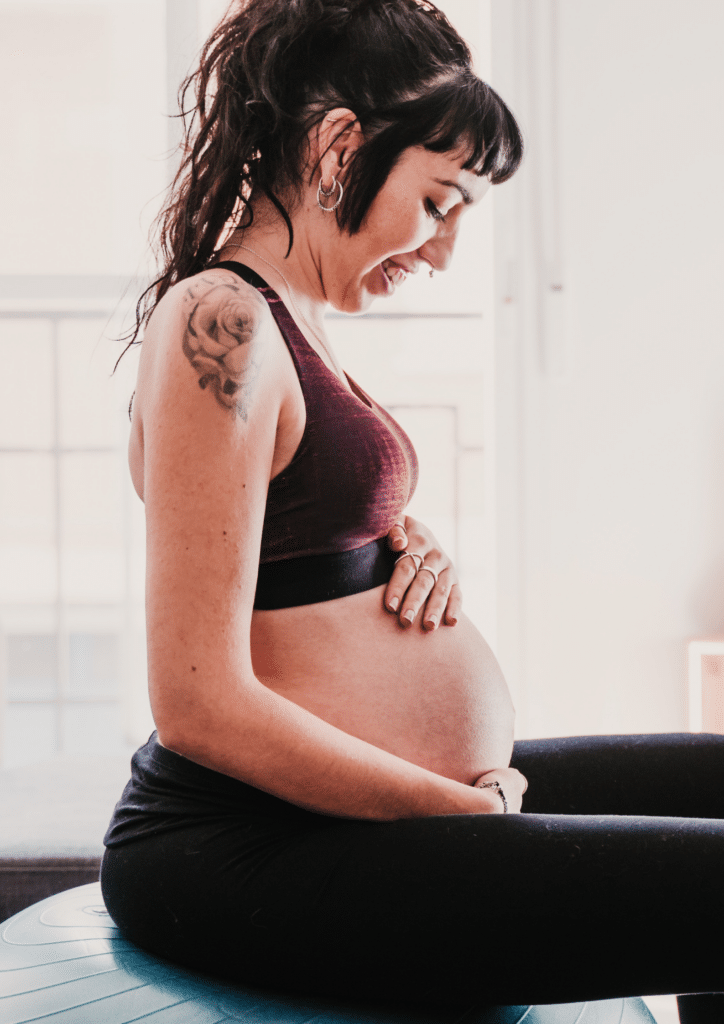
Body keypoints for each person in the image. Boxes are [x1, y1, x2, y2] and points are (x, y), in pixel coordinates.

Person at [102, 2, 724, 1020]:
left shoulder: (290, 315)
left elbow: (292, 545)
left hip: (368, 809)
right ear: (339, 144)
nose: (441, 251)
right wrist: (467, 814)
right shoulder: (220, 320)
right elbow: (199, 700)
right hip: (249, 844)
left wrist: (393, 543)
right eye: (439, 201)